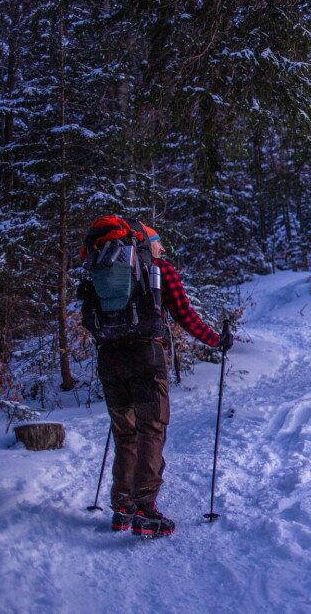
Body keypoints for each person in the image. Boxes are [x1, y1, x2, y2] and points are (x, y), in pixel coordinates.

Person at [81, 218, 233, 537]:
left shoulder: (99, 268)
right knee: (151, 427)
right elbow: (185, 315)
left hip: (109, 358)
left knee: (125, 433)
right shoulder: (157, 269)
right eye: (158, 242)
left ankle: (122, 508)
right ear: (146, 242)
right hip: (146, 356)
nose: (162, 248)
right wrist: (216, 339)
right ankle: (146, 510)